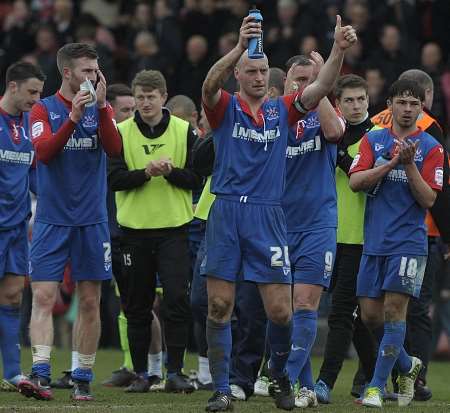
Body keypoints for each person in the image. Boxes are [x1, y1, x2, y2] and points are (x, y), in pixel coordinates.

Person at [201, 14, 357, 412]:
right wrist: (238, 46)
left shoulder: (281, 111)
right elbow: (208, 86)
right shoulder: (226, 109)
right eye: (250, 71)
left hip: (269, 217)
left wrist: (338, 50)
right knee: (219, 305)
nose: (257, 77)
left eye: (262, 71)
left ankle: (281, 375)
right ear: (238, 74)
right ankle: (222, 390)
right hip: (228, 212)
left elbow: (321, 87)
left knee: (281, 311)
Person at [18, 42, 122, 402]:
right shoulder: (43, 109)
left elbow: (114, 150)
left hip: (92, 220)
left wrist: (104, 109)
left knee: (90, 300)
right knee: (43, 296)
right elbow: (44, 153)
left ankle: (82, 375)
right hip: (51, 219)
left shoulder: (99, 109)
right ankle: (42, 371)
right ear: (67, 72)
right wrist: (75, 119)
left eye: (96, 70)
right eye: (87, 71)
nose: (93, 77)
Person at [349, 79, 445, 408]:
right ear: (390, 104)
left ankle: (375, 387)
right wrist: (390, 164)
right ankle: (407, 364)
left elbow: (429, 198)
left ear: (422, 109)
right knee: (370, 316)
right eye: (401, 102)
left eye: (413, 104)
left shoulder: (432, 147)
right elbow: (354, 182)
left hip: (408, 242)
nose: (407, 109)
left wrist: (408, 165)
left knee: (393, 313)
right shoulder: (373, 139)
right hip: (374, 241)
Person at [108, 69, 202, 394]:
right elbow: (113, 179)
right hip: (133, 233)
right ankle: (142, 374)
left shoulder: (184, 131)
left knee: (177, 300)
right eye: (140, 97)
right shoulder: (119, 132)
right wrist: (146, 173)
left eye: (151, 96)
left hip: (174, 231)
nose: (145, 102)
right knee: (137, 306)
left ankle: (175, 371)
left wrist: (171, 172)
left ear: (164, 97)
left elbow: (197, 179)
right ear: (134, 98)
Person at [371, 69, 450, 400]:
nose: (412, 107)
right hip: (422, 231)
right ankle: (411, 375)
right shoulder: (430, 128)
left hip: (379, 230)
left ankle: (378, 380)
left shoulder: (375, 123)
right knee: (413, 310)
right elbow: (440, 193)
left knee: (384, 309)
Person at [283, 53, 344, 409]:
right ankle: (304, 387)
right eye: (298, 79)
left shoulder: (323, 115)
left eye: (311, 78)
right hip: (278, 223)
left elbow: (336, 132)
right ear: (287, 83)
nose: (303, 84)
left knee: (305, 303)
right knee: (285, 310)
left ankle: (285, 377)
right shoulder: (278, 116)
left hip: (318, 223)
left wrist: (318, 89)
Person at [314, 74, 378, 403]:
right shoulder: (329, 134)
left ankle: (324, 382)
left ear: (369, 101)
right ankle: (384, 376)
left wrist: (340, 156)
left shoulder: (379, 138)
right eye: (349, 101)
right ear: (338, 104)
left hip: (359, 237)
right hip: (326, 233)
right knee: (352, 318)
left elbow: (372, 182)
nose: (355, 106)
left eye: (361, 100)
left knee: (340, 312)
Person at [0, 61, 45, 391]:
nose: (36, 98)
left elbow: (33, 176)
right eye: (32, 92)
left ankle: (14, 373)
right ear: (12, 86)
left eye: (40, 93)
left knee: (14, 297)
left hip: (17, 226)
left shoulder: (31, 124)